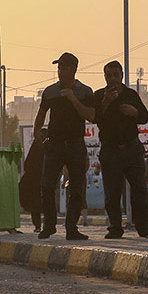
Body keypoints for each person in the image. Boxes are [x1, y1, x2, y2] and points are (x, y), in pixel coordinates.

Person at [33, 52, 95, 239]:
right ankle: (49, 225)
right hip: (55, 144)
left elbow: (91, 115)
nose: (60, 72)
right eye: (59, 68)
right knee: (47, 186)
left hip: (75, 144)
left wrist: (73, 99)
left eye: (64, 68)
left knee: (76, 188)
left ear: (73, 69)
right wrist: (37, 131)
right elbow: (42, 112)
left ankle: (71, 228)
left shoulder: (85, 91)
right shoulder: (50, 91)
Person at [92, 60, 148, 238]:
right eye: (109, 75)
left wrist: (134, 112)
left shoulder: (130, 94)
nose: (112, 79)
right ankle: (115, 227)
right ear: (104, 77)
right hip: (110, 149)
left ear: (122, 76)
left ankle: (142, 226)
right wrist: (106, 102)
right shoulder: (99, 96)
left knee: (139, 188)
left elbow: (144, 117)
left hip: (131, 147)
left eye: (116, 75)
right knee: (112, 191)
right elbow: (95, 118)